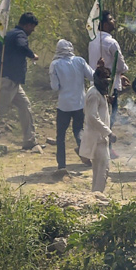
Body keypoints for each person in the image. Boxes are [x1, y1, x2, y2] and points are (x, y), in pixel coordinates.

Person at [0, 12, 40, 151]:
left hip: (12, 82)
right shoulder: (20, 35)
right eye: (32, 27)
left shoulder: (8, 35)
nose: (33, 31)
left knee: (25, 107)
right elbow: (22, 46)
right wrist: (32, 55)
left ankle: (29, 141)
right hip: (6, 81)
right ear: (27, 25)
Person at [49, 39, 94, 172]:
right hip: (80, 103)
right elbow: (92, 76)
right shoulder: (79, 61)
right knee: (78, 130)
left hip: (64, 105)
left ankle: (62, 165)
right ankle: (83, 152)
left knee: (60, 135)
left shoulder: (55, 64)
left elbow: (54, 87)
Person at [80, 66, 113, 193]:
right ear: (98, 79)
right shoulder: (94, 93)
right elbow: (92, 117)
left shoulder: (98, 92)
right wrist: (109, 133)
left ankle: (94, 195)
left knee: (98, 170)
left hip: (100, 137)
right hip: (97, 138)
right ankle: (98, 196)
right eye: (104, 80)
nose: (106, 83)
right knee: (103, 169)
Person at [88, 11, 130, 103]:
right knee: (110, 114)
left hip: (94, 85)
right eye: (111, 19)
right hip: (109, 86)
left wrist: (120, 75)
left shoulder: (92, 41)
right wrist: (122, 72)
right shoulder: (111, 43)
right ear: (105, 25)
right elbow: (120, 65)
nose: (114, 20)